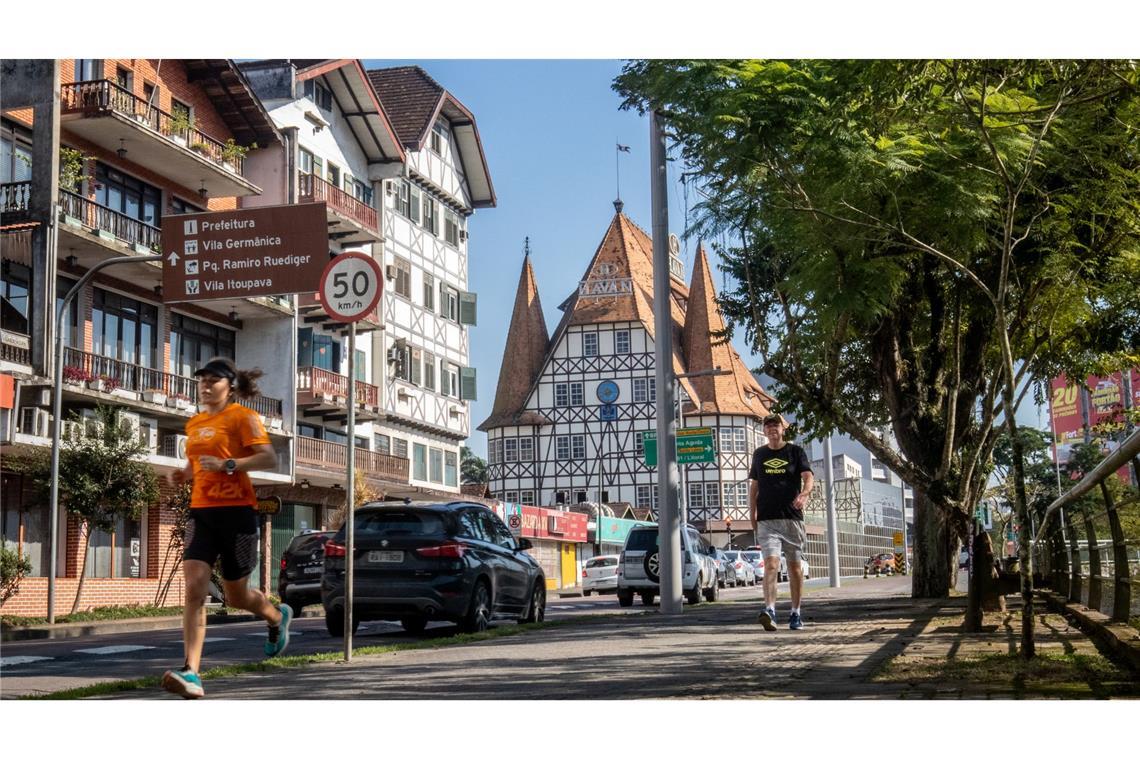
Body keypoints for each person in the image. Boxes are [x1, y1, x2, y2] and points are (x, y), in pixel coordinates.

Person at [161, 357, 292, 699]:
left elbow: (268, 458)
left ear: (230, 386)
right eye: (201, 380)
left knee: (236, 596)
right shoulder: (195, 423)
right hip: (201, 512)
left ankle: (276, 617)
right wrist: (183, 475)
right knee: (194, 589)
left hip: (237, 513)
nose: (205, 385)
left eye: (213, 380)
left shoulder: (243, 418)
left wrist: (228, 464)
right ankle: (191, 672)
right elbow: (194, 462)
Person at [749, 413, 814, 631]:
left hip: (792, 519)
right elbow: (754, 487)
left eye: (775, 425)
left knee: (795, 568)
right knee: (771, 565)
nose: (771, 429)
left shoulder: (795, 452)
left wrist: (804, 493)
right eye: (767, 426)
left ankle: (795, 613)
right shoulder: (759, 454)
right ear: (764, 431)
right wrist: (752, 515)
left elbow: (808, 476)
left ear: (782, 428)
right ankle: (770, 610)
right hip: (767, 519)